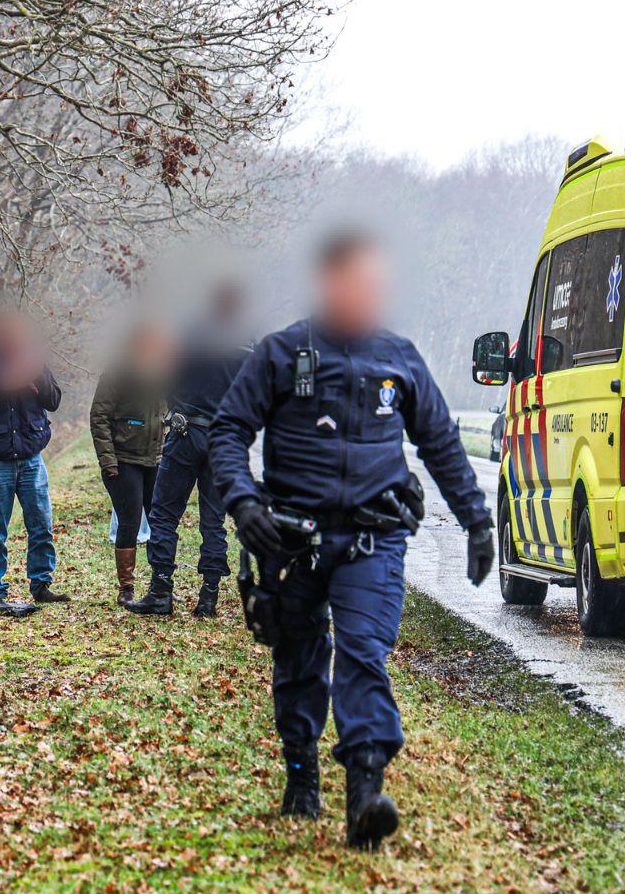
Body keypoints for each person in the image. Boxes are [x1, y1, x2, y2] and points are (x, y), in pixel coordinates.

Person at [207, 231, 494, 851]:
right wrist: (244, 501)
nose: (369, 296)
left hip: (374, 537)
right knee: (300, 656)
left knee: (364, 650)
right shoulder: (282, 354)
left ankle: (365, 790)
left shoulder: (400, 358)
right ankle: (300, 770)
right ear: (328, 283)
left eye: (377, 286)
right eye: (357, 283)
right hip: (291, 538)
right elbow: (228, 431)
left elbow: (440, 442)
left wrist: (477, 520)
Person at [125, 282, 251, 618]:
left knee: (164, 513)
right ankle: (208, 599)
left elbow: (165, 376)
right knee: (213, 520)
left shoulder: (191, 334)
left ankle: (161, 591)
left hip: (186, 430)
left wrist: (177, 402)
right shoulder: (249, 343)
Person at [0, 310, 71, 616]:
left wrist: (35, 376)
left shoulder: (34, 359)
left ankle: (41, 585)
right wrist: (2, 388)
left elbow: (54, 401)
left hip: (31, 458)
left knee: (42, 525)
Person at [90, 321, 174, 605]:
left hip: (156, 459)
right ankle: (126, 588)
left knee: (160, 521)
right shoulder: (117, 373)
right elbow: (98, 418)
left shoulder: (165, 375)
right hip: (124, 459)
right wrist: (107, 460)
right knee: (129, 521)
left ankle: (160, 583)